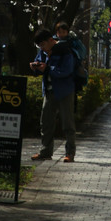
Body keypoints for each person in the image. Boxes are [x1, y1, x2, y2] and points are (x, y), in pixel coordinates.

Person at [30, 27, 76, 163]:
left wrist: (48, 68)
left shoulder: (64, 50)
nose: (42, 48)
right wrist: (35, 67)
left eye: (43, 45)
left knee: (68, 123)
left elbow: (66, 70)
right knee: (46, 122)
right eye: (39, 46)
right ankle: (45, 151)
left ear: (51, 40)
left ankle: (70, 153)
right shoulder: (43, 52)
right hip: (49, 91)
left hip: (65, 91)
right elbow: (41, 66)